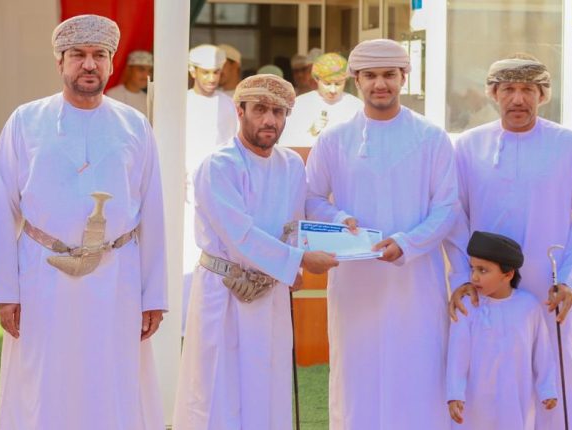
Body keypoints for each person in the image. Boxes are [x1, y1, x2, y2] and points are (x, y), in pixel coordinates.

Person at [0, 14, 167, 429]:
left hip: (117, 277)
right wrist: (6, 292)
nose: (89, 64)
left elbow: (153, 212)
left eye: (99, 55)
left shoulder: (134, 125)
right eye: (78, 55)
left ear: (111, 62)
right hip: (43, 276)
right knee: (43, 379)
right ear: (60, 62)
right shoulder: (25, 121)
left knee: (112, 378)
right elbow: (3, 207)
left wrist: (154, 295)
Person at [305, 39, 458, 430]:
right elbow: (310, 197)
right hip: (355, 284)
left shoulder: (431, 137)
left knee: (419, 374)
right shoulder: (334, 139)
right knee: (358, 377)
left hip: (416, 283)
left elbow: (447, 207)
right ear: (356, 80)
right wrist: (340, 219)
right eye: (370, 76)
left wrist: (407, 243)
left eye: (389, 74)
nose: (380, 84)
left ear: (404, 77)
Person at [172, 74, 339, 429]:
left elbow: (294, 224)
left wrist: (298, 262)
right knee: (219, 390)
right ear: (240, 110)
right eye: (260, 109)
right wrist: (298, 261)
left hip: (272, 293)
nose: (269, 120)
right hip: (224, 293)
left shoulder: (292, 165)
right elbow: (240, 236)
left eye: (278, 112)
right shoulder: (218, 166)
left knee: (268, 384)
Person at [445, 53, 572, 430]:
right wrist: (465, 277)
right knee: (487, 371)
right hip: (486, 289)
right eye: (508, 89)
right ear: (493, 93)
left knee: (553, 372)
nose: (518, 99)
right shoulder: (469, 146)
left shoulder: (569, 146)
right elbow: (454, 216)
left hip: (549, 286)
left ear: (542, 95)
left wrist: (570, 280)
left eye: (528, 89)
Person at [447, 231, 558, 429]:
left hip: (516, 395)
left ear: (508, 274)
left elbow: (542, 352)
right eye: (472, 268)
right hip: (476, 400)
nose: (474, 277)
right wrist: (455, 393)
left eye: (483, 270)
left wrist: (547, 389)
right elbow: (457, 354)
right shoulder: (468, 306)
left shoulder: (528, 306)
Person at [182, 44, 239, 333]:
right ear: (192, 71)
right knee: (187, 259)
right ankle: (183, 327)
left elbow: (233, 149)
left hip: (219, 193)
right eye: (206, 72)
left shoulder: (229, 104)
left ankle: (214, 325)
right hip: (184, 195)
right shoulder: (179, 102)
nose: (212, 78)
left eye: (216, 72)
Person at [278, 52, 363, 149]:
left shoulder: (355, 106)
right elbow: (288, 145)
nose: (333, 90)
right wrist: (311, 132)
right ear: (316, 79)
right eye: (327, 84)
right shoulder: (300, 104)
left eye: (338, 84)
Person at [106, 50, 152, 115]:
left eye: (150, 71)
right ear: (129, 70)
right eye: (141, 69)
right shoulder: (112, 95)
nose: (146, 75)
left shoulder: (148, 100)